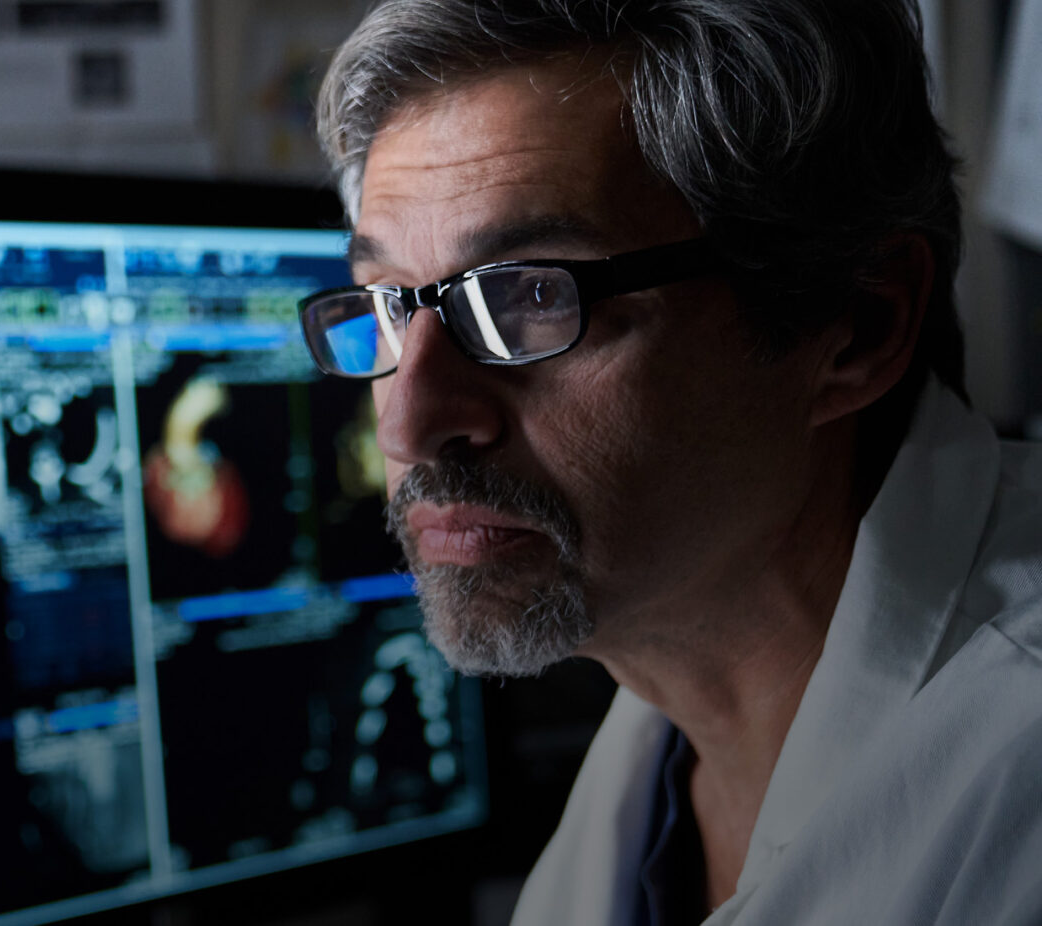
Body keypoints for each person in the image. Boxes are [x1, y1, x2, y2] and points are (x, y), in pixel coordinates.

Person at [300, 1, 1041, 923]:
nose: (410, 425)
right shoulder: (665, 712)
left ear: (856, 325)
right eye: (387, 305)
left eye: (530, 295)